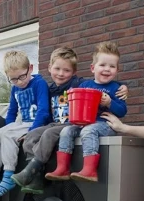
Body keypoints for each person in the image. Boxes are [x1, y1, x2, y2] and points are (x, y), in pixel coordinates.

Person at [12, 46, 128, 193]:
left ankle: (32, 169)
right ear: (49, 68)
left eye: (66, 70)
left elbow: (104, 83)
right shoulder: (50, 89)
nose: (61, 74)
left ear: (73, 72)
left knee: (50, 134)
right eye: (57, 69)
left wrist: (123, 87)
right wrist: (33, 129)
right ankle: (36, 177)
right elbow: (43, 105)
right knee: (31, 136)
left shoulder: (78, 84)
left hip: (74, 123)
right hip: (55, 123)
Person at [45, 41, 127, 183]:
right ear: (93, 68)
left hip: (106, 125)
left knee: (88, 131)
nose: (107, 69)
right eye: (102, 65)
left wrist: (110, 103)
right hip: (85, 123)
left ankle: (90, 169)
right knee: (66, 131)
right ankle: (63, 168)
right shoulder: (85, 85)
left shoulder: (117, 88)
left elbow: (122, 111)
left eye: (112, 66)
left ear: (117, 70)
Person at [0, 50, 51, 198]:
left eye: (22, 77)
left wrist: (32, 131)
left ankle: (8, 175)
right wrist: (9, 126)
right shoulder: (15, 89)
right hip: (22, 123)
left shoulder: (39, 83)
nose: (19, 82)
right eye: (13, 79)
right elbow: (12, 111)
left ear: (30, 68)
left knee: (8, 135)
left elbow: (44, 110)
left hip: (35, 124)